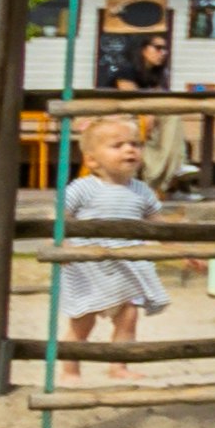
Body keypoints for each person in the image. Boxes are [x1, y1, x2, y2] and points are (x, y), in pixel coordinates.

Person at [51, 128, 170, 339]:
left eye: (135, 144)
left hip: (126, 268)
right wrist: (61, 244)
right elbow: (59, 215)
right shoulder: (83, 188)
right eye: (118, 145)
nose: (129, 150)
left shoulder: (141, 191)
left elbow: (160, 227)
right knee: (82, 324)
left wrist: (182, 250)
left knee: (129, 318)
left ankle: (119, 366)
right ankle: (70, 370)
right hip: (88, 269)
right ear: (92, 160)